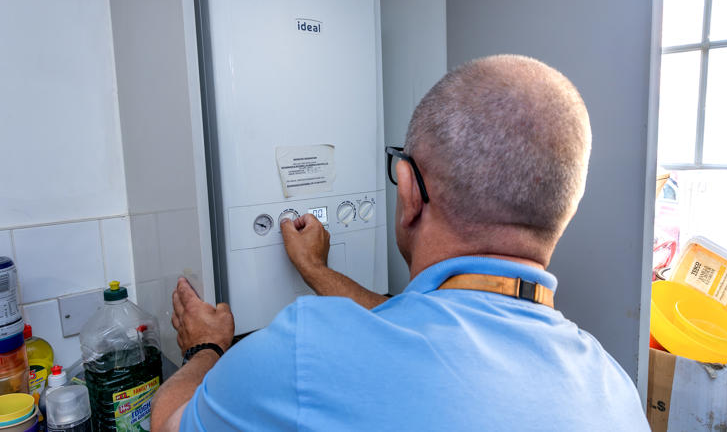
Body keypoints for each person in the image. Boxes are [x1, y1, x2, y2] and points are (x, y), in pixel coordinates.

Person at [151, 55, 649, 431]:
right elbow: (424, 319)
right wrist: (318, 272)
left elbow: (170, 421)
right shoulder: (618, 394)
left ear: (409, 190)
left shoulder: (305, 351)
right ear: (563, 210)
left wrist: (207, 348)